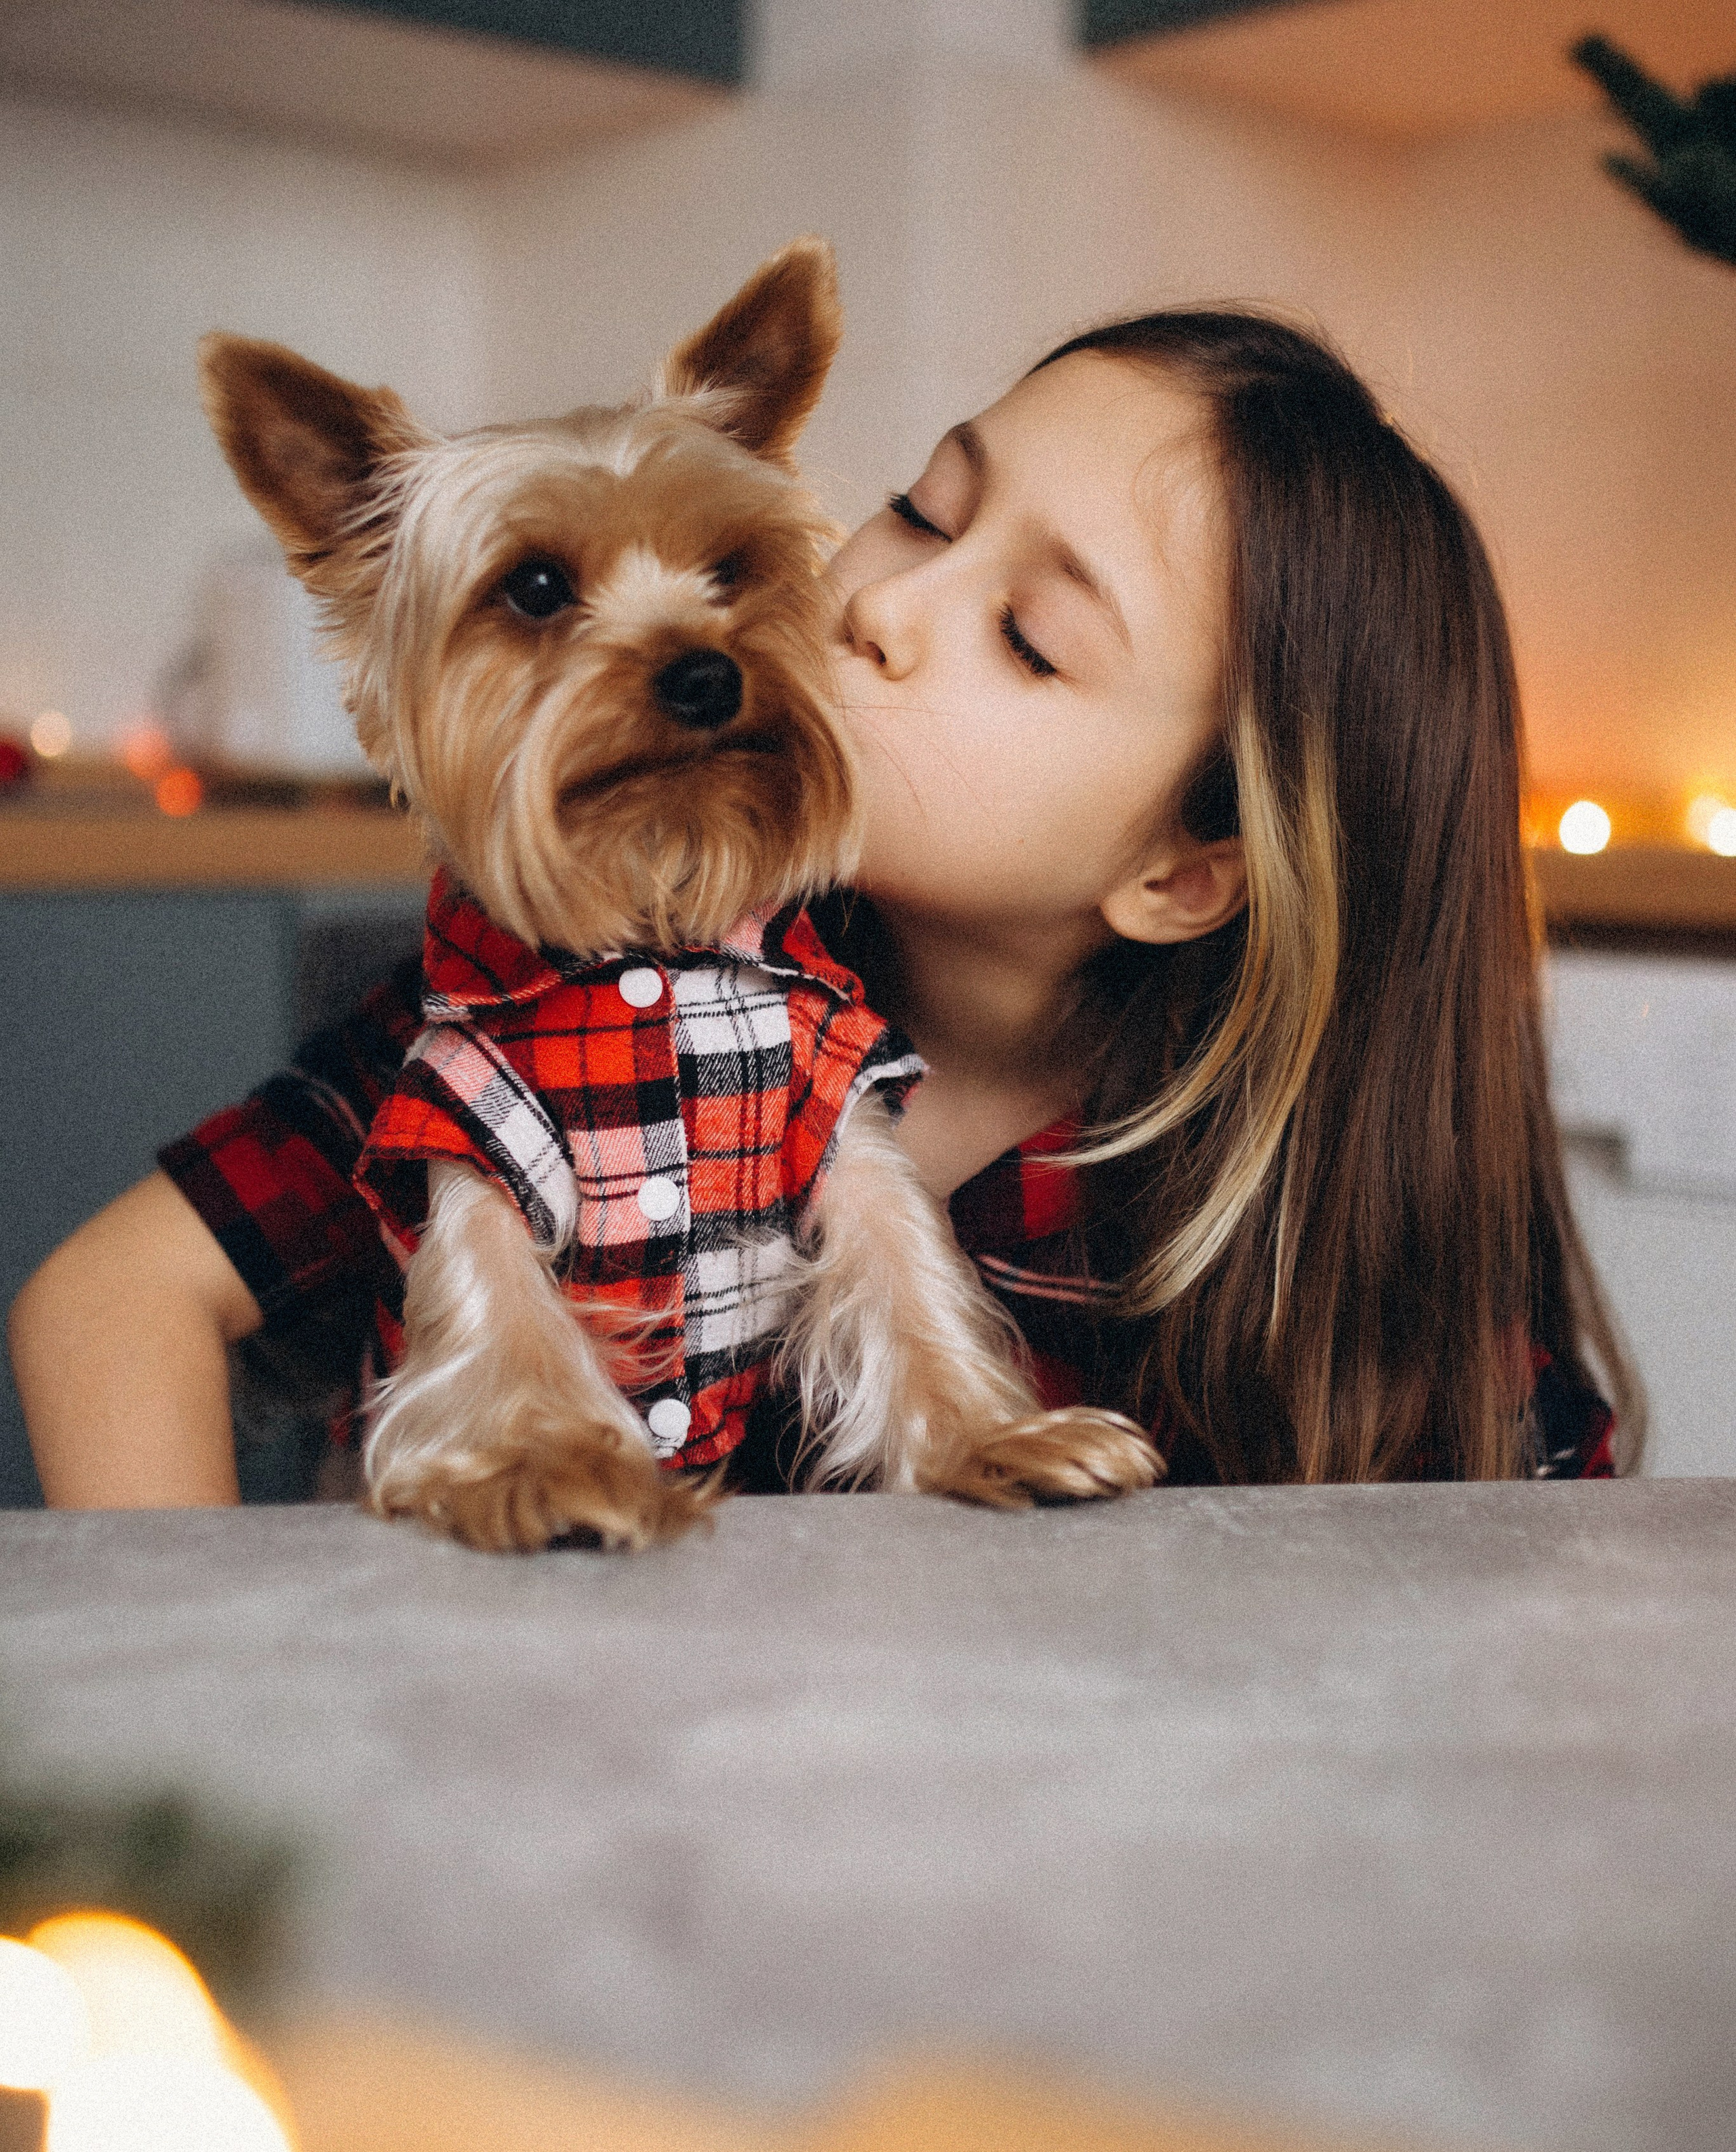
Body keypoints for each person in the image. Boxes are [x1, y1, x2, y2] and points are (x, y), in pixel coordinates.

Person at [7, 310, 1633, 1501]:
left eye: (1030, 638)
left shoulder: (1319, 1250)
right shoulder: (576, 992)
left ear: (1183, 870)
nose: (885, 607)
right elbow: (107, 1300)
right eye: (922, 508)